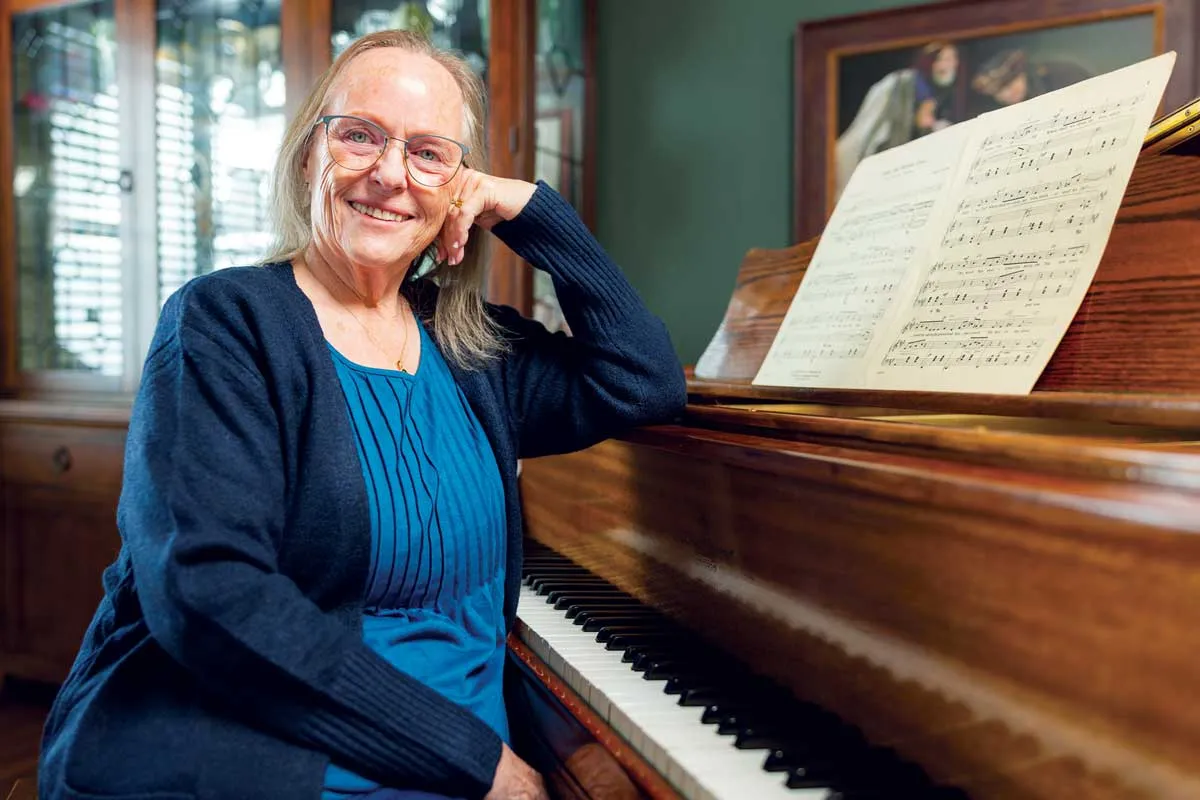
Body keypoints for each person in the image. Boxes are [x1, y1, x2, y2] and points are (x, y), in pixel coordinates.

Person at [37, 29, 686, 800]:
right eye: (359, 136)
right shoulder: (224, 323)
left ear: (459, 190)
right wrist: (473, 759)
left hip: (464, 757)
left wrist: (531, 210)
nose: (388, 174)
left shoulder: (472, 345)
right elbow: (209, 596)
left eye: (428, 154)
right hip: (271, 748)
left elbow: (642, 380)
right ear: (311, 155)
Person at [834, 41, 964, 200]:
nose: (948, 64)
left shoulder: (935, 88)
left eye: (951, 59)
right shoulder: (913, 82)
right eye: (942, 59)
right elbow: (924, 121)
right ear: (930, 62)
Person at [970, 48, 1093, 109]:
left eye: (1010, 84)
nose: (1007, 94)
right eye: (998, 92)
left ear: (1022, 72)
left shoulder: (1062, 73)